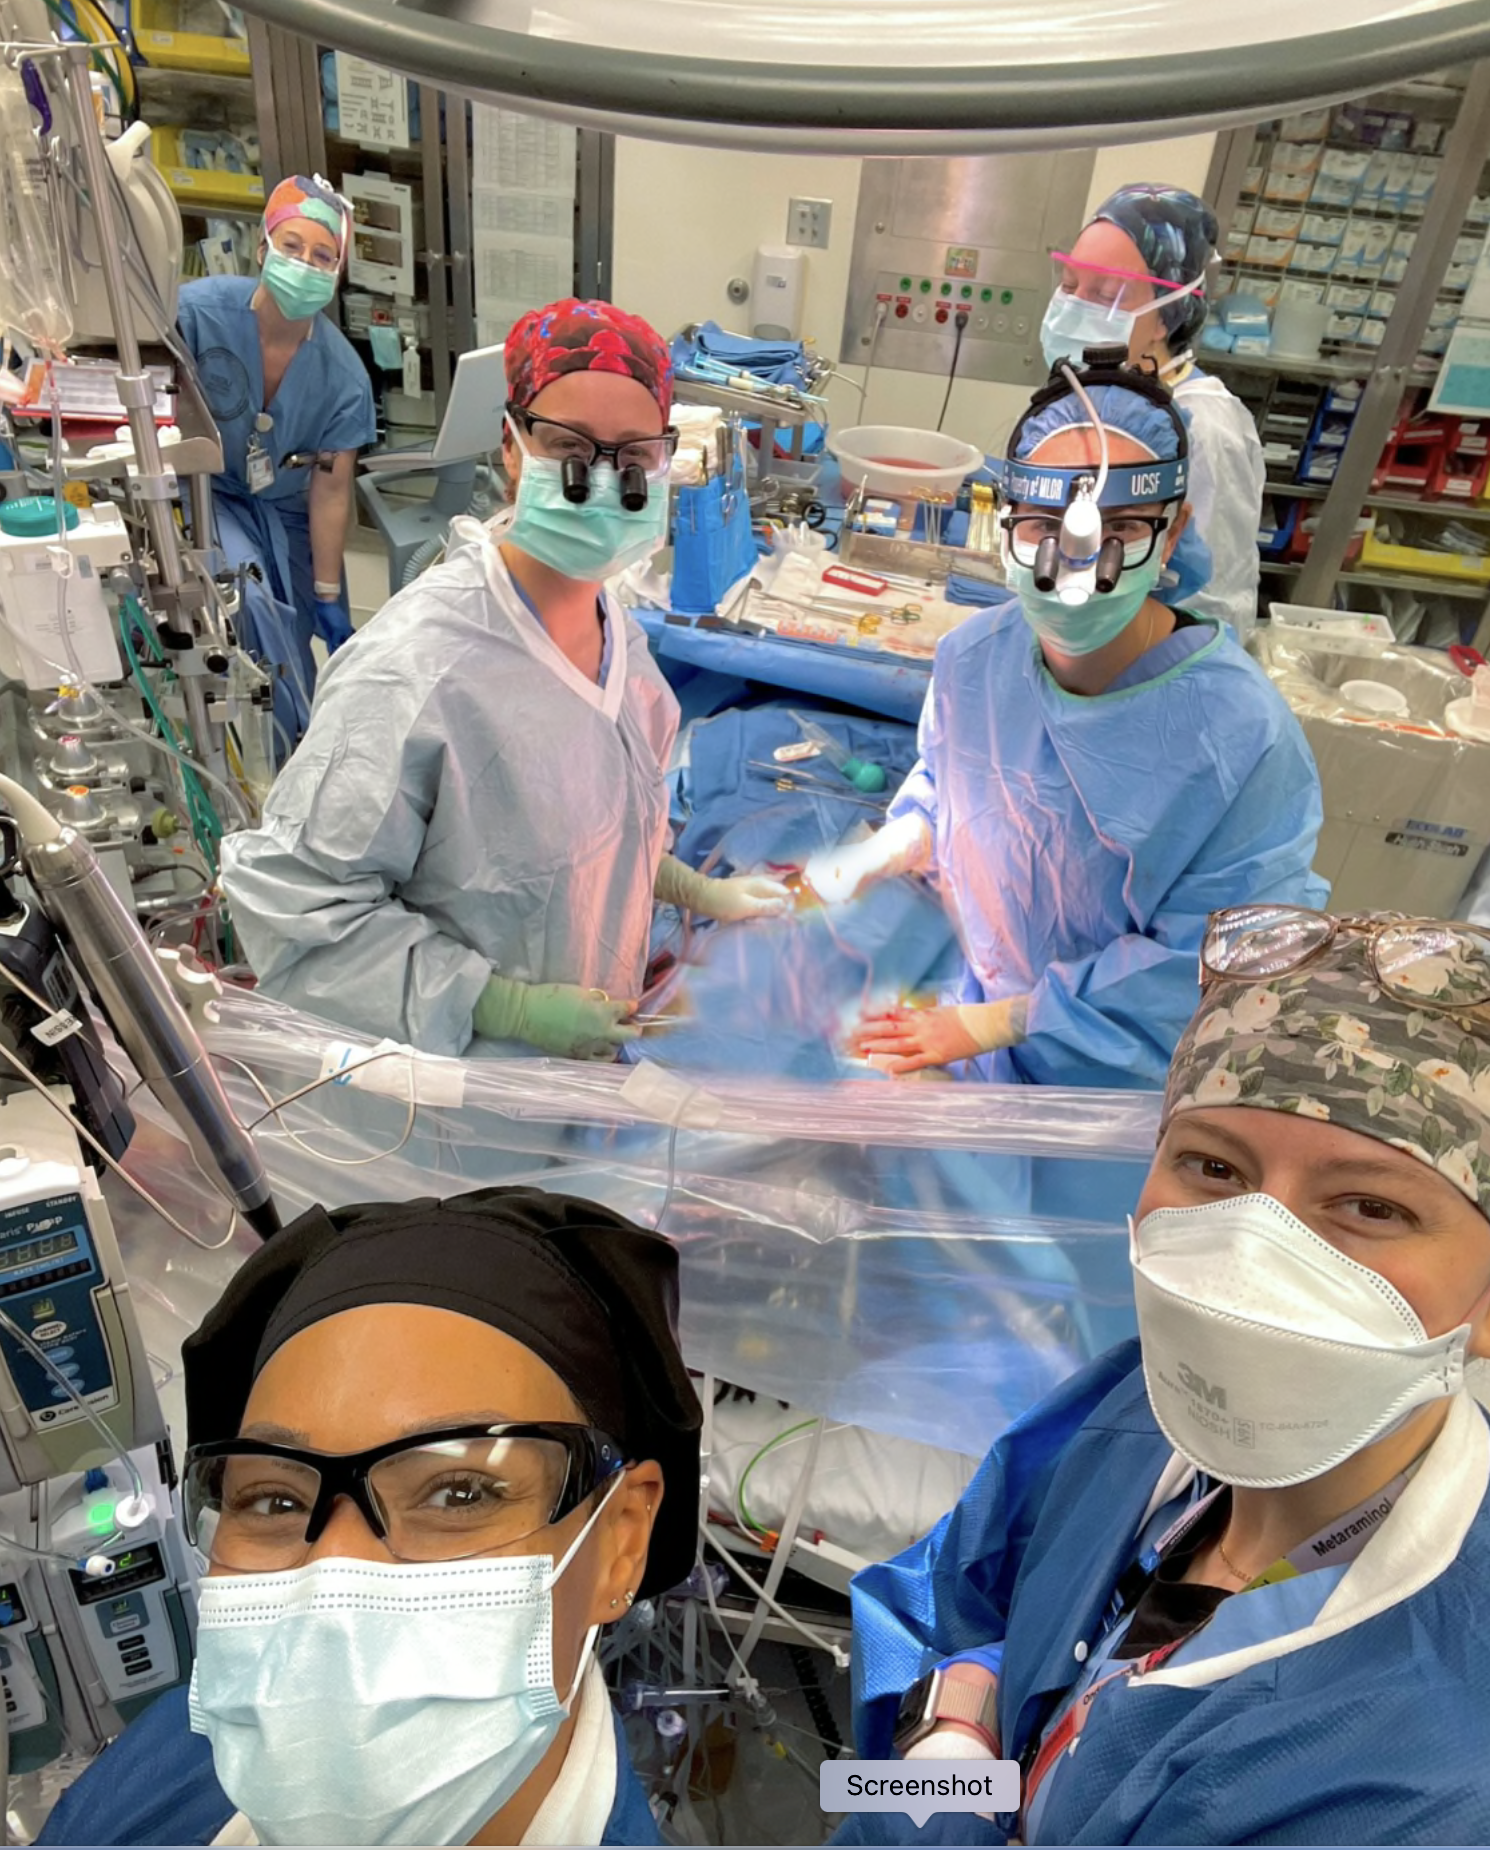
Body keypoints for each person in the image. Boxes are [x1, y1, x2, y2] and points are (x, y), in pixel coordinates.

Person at [840, 906, 1490, 1846]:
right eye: (1213, 1166)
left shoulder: (1435, 1780)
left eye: (1370, 1206)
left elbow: (886, 1803)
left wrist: (937, 1786)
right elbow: (929, 1602)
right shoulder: (1137, 1415)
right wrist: (941, 1719)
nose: (1252, 1254)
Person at [38, 1186, 703, 1847]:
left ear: (620, 1540)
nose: (331, 1587)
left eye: (459, 1493)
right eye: (275, 1500)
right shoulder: (166, 1764)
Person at [218, 298, 787, 1059]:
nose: (602, 480)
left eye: (632, 455)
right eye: (569, 446)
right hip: (456, 1101)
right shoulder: (417, 670)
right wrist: (502, 1006)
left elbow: (594, 828)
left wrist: (693, 889)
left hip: (571, 1079)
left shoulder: (618, 639)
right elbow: (293, 909)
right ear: (512, 448)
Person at [827, 354, 1325, 1087]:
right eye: (1042, 525)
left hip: (1117, 1079)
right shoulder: (976, 659)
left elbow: (1211, 964)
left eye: (1120, 528)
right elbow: (951, 788)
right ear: (1006, 519)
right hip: (976, 1022)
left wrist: (996, 1024)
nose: (1076, 568)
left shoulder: (1241, 738)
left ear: (1175, 530)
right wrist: (893, 845)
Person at [178, 175, 376, 741]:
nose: (304, 264)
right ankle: (290, 748)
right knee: (253, 603)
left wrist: (329, 594)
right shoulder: (196, 314)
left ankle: (306, 743)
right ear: (263, 249)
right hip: (210, 491)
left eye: (322, 256)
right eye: (292, 246)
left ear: (336, 273)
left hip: (287, 509)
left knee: (304, 630)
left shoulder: (343, 377)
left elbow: (331, 490)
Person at [1042, 184, 1265, 640]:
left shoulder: (1205, 429)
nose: (1074, 308)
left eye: (1105, 293)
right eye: (1069, 285)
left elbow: (1211, 602)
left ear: (1168, 314)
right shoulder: (1099, 394)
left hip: (1150, 658)